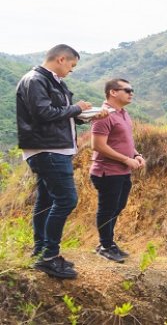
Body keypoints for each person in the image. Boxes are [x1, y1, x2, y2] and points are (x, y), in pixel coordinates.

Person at [16, 44, 108, 279]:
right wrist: (76, 108)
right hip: (47, 148)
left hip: (54, 147)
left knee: (46, 200)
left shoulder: (53, 82)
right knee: (66, 199)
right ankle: (49, 256)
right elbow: (43, 114)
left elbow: (60, 114)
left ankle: (42, 253)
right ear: (60, 59)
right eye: (72, 65)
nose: (71, 70)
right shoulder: (35, 80)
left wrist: (84, 115)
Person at [89, 78, 145, 263]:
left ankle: (108, 243)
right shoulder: (103, 115)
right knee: (107, 209)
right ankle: (105, 246)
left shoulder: (123, 113)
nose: (131, 93)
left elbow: (125, 140)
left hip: (122, 171)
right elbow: (97, 145)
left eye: (132, 90)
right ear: (113, 92)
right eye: (127, 90)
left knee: (118, 206)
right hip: (107, 171)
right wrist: (125, 159)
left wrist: (136, 155)